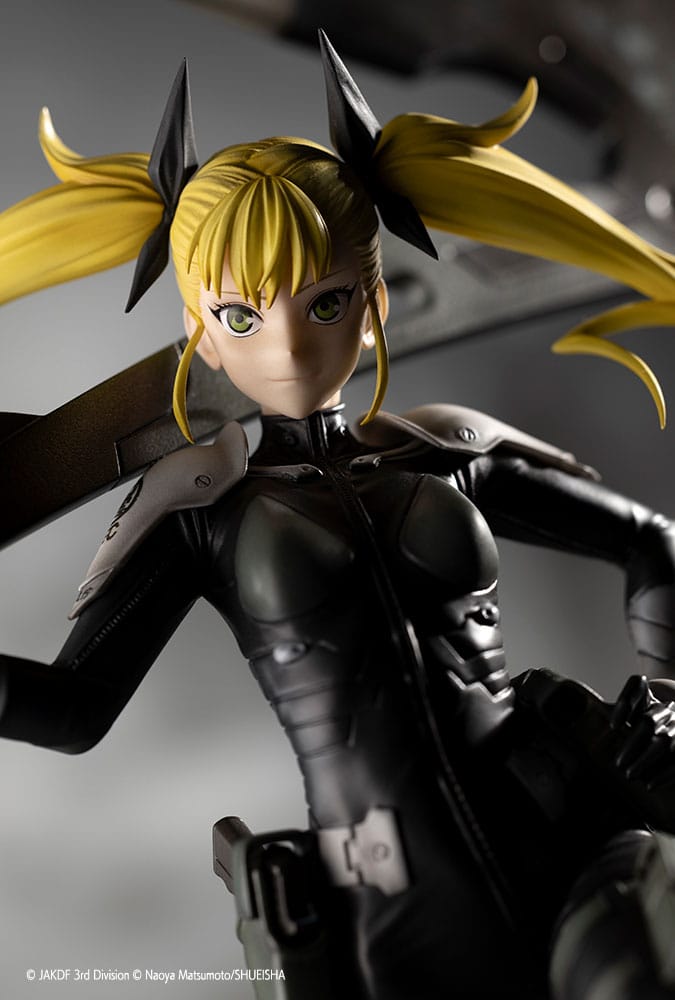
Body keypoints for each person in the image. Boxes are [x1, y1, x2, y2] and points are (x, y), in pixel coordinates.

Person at [1, 32, 675, 1000]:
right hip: (387, 888)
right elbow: (70, 711)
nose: (284, 345)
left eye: (323, 303)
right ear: (199, 331)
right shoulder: (199, 505)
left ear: (374, 303)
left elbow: (650, 540)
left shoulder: (443, 448)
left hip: (562, 814)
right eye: (242, 315)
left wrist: (665, 699)